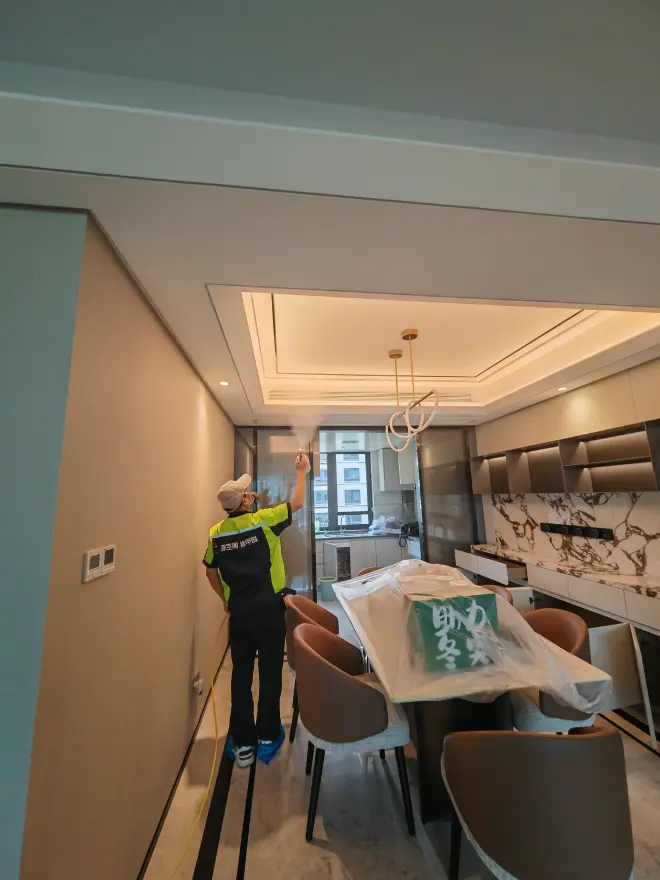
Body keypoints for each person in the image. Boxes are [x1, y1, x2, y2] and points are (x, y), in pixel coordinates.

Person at [203, 454, 309, 768]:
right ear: (245, 501)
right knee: (270, 672)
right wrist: (302, 471)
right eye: (248, 493)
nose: (252, 495)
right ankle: (267, 735)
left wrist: (225, 599)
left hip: (240, 614)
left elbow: (210, 570)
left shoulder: (216, 533)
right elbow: (297, 502)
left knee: (241, 674)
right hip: (269, 611)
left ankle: (244, 743)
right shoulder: (264, 521)